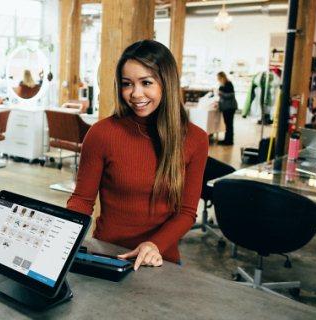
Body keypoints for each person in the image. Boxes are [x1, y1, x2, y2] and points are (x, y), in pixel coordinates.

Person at [67, 40, 208, 269]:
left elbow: (186, 212)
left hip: (160, 259)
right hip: (108, 255)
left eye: (146, 82)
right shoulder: (102, 134)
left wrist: (153, 245)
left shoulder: (195, 139)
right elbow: (82, 201)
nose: (135, 93)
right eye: (127, 84)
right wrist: (61, 237)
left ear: (167, 83)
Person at [216, 71, 237, 146]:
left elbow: (230, 95)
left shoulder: (228, 84)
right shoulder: (222, 85)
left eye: (218, 78)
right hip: (226, 108)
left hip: (230, 107)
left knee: (229, 125)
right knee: (227, 125)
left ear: (222, 77)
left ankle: (229, 141)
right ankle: (227, 139)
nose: (218, 79)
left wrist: (221, 94)